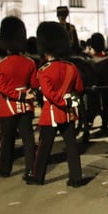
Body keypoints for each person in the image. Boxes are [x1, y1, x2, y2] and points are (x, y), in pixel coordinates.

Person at [27, 22, 89, 187]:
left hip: (52, 113)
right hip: (68, 113)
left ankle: (37, 176)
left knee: (44, 147)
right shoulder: (71, 67)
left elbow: (49, 95)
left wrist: (62, 101)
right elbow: (80, 88)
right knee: (71, 146)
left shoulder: (43, 70)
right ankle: (76, 177)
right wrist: (69, 100)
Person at [0, 17, 37, 178]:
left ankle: (5, 168)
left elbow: (0, 87)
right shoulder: (30, 62)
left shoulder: (0, 64)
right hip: (26, 105)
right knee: (28, 138)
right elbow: (33, 83)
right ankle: (32, 168)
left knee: (7, 140)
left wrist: (17, 95)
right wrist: (24, 94)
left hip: (8, 106)